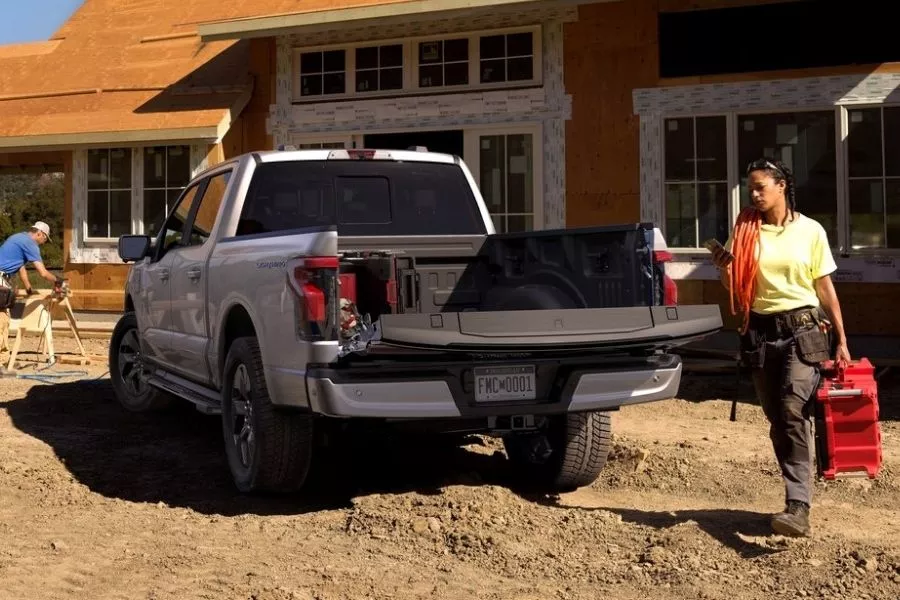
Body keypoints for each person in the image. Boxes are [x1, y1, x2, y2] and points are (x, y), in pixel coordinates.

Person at [710, 158, 850, 538]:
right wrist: (725, 267)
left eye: (760, 187)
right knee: (777, 418)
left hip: (803, 332)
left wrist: (842, 338)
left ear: (781, 187)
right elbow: (735, 286)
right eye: (750, 188)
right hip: (759, 334)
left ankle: (798, 506)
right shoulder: (745, 231)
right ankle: (796, 493)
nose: (753, 194)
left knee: (792, 408)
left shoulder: (810, 231)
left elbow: (824, 288)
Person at [0, 221, 60, 355]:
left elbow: (20, 266)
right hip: (0, 277)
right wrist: (58, 280)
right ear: (40, 233)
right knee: (2, 319)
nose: (43, 242)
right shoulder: (31, 244)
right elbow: (43, 273)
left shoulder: (18, 237)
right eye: (44, 238)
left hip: (2, 276)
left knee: (4, 319)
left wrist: (28, 287)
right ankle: (1, 363)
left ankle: (3, 360)